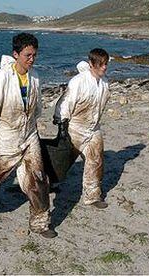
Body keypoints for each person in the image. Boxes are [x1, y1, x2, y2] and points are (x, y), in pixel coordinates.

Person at [0, 33, 57, 238]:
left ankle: (40, 223)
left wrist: (33, 123)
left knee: (38, 177)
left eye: (34, 55)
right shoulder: (0, 77)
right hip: (7, 135)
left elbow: (38, 107)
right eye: (27, 55)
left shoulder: (35, 77)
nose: (32, 59)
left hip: (29, 133)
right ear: (15, 54)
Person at [53, 48, 110, 209]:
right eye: (100, 64)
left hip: (93, 128)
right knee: (63, 161)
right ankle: (48, 182)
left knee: (96, 161)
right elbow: (66, 102)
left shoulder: (105, 82)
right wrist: (62, 123)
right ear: (91, 63)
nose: (104, 67)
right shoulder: (78, 81)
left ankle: (92, 196)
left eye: (105, 64)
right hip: (75, 128)